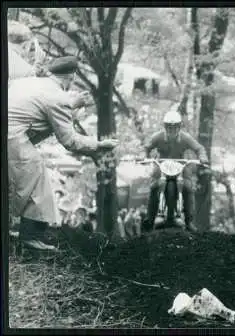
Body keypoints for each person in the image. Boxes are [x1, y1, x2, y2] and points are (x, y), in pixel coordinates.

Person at [8, 56, 119, 250]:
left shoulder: (28, 81)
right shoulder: (58, 98)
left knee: (14, 180)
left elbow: (40, 113)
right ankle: (31, 236)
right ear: (71, 76)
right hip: (13, 137)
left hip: (12, 132)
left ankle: (13, 226)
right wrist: (99, 145)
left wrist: (71, 105)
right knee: (36, 176)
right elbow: (70, 141)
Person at [143, 108, 209, 232]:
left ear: (179, 127)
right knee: (153, 186)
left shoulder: (185, 138)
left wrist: (203, 157)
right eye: (169, 127)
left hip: (180, 165)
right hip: (161, 164)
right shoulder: (157, 137)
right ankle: (150, 217)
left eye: (174, 127)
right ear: (165, 127)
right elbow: (146, 147)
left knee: (189, 187)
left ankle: (189, 220)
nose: (171, 130)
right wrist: (144, 156)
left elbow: (199, 148)